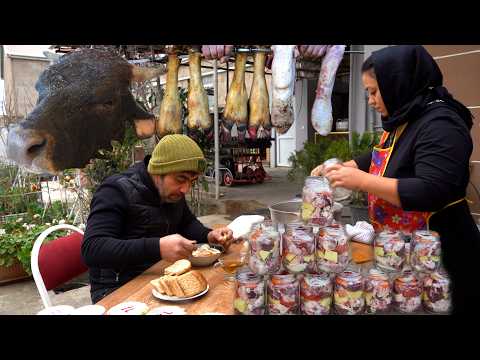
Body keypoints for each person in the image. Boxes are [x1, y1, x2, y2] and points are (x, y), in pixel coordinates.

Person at [311, 45, 480, 314]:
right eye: (368, 93)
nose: (370, 100)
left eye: (374, 92)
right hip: (406, 253)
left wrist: (361, 181)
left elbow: (432, 189)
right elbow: (388, 154)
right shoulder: (406, 116)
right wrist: (347, 166)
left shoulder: (441, 124)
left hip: (444, 257)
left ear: (397, 83)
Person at [81, 134, 233, 303]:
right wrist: (158, 247)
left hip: (160, 278)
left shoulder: (172, 192)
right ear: (157, 170)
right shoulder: (115, 190)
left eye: (192, 181)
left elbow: (186, 223)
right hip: (116, 289)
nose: (185, 189)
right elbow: (92, 249)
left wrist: (209, 235)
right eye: (181, 179)